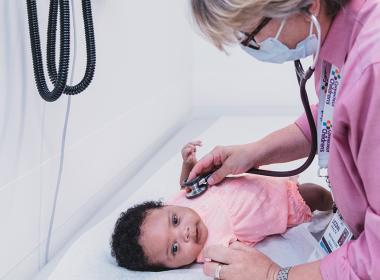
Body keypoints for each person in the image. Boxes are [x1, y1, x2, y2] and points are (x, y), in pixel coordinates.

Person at [188, 0, 380, 279]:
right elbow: (337, 115)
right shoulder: (345, 30)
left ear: (310, 6)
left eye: (250, 35)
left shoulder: (373, 69)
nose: (251, 47)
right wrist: (255, 152)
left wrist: (274, 275)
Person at [110, 142, 332, 271]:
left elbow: (186, 187)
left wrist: (188, 164)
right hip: (279, 206)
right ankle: (330, 213)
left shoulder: (177, 202)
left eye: (175, 221)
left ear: (168, 207)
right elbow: (234, 262)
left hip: (261, 181)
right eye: (175, 248)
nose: (184, 233)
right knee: (316, 194)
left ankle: (333, 207)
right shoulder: (210, 249)